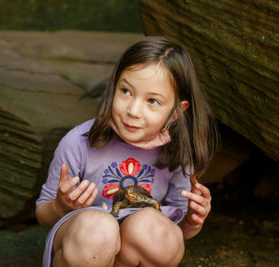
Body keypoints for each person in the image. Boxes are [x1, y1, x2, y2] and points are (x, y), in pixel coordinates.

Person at [36, 36, 219, 267]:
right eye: (126, 91)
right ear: (114, 87)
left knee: (159, 235)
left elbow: (176, 235)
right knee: (99, 230)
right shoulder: (78, 142)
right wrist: (61, 205)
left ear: (176, 112)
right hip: (84, 244)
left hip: (131, 250)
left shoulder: (179, 153)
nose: (133, 110)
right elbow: (42, 213)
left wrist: (194, 220)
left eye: (152, 101)